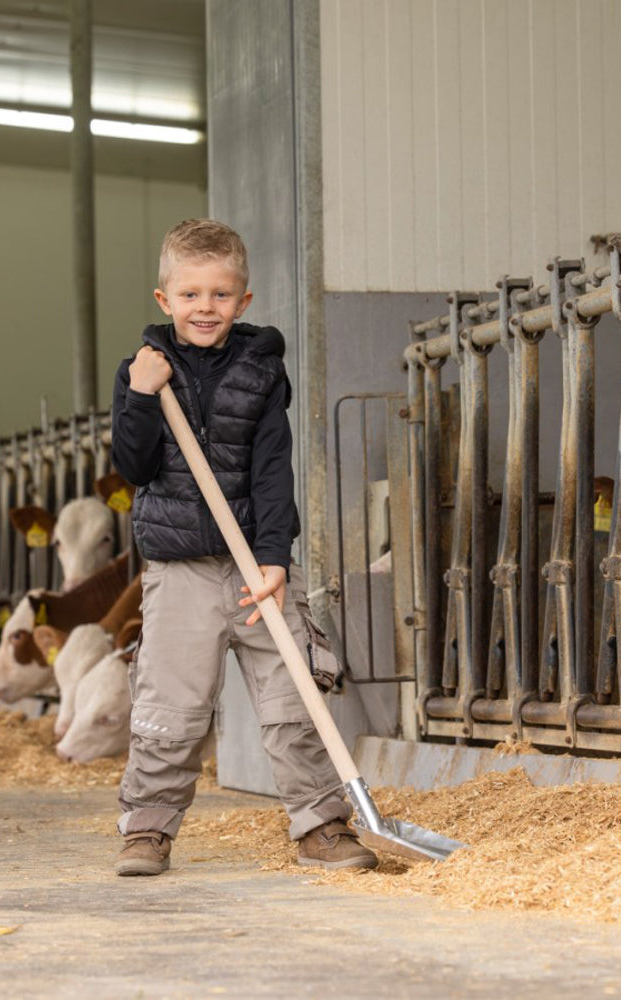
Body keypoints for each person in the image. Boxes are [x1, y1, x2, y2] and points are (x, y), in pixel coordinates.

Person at [109, 218, 378, 876]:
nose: (207, 308)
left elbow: (271, 469)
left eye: (222, 295)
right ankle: (147, 829)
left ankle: (321, 825)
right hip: (179, 572)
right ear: (164, 300)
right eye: (192, 295)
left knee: (293, 698)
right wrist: (141, 396)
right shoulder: (143, 372)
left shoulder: (260, 371)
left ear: (244, 301)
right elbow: (134, 468)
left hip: (254, 567)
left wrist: (276, 557)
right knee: (169, 708)